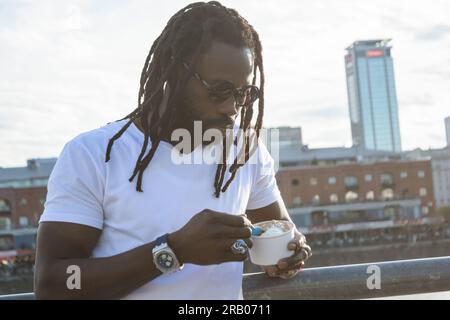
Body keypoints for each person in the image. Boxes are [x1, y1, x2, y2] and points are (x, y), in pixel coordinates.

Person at [34, 1, 311, 300]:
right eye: (219, 90)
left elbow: (282, 235)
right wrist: (172, 251)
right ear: (173, 72)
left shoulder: (245, 152)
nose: (231, 107)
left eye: (243, 93)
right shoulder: (92, 154)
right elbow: (52, 284)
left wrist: (287, 257)